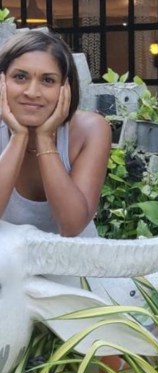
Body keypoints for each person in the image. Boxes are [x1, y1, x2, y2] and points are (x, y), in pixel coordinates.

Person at [0, 29, 111, 237]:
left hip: (76, 265)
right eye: (20, 77)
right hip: (9, 267)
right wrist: (18, 137)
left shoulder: (91, 129)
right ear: (2, 82)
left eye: (47, 80)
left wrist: (44, 139)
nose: (32, 92)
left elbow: (71, 227)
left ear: (65, 87)